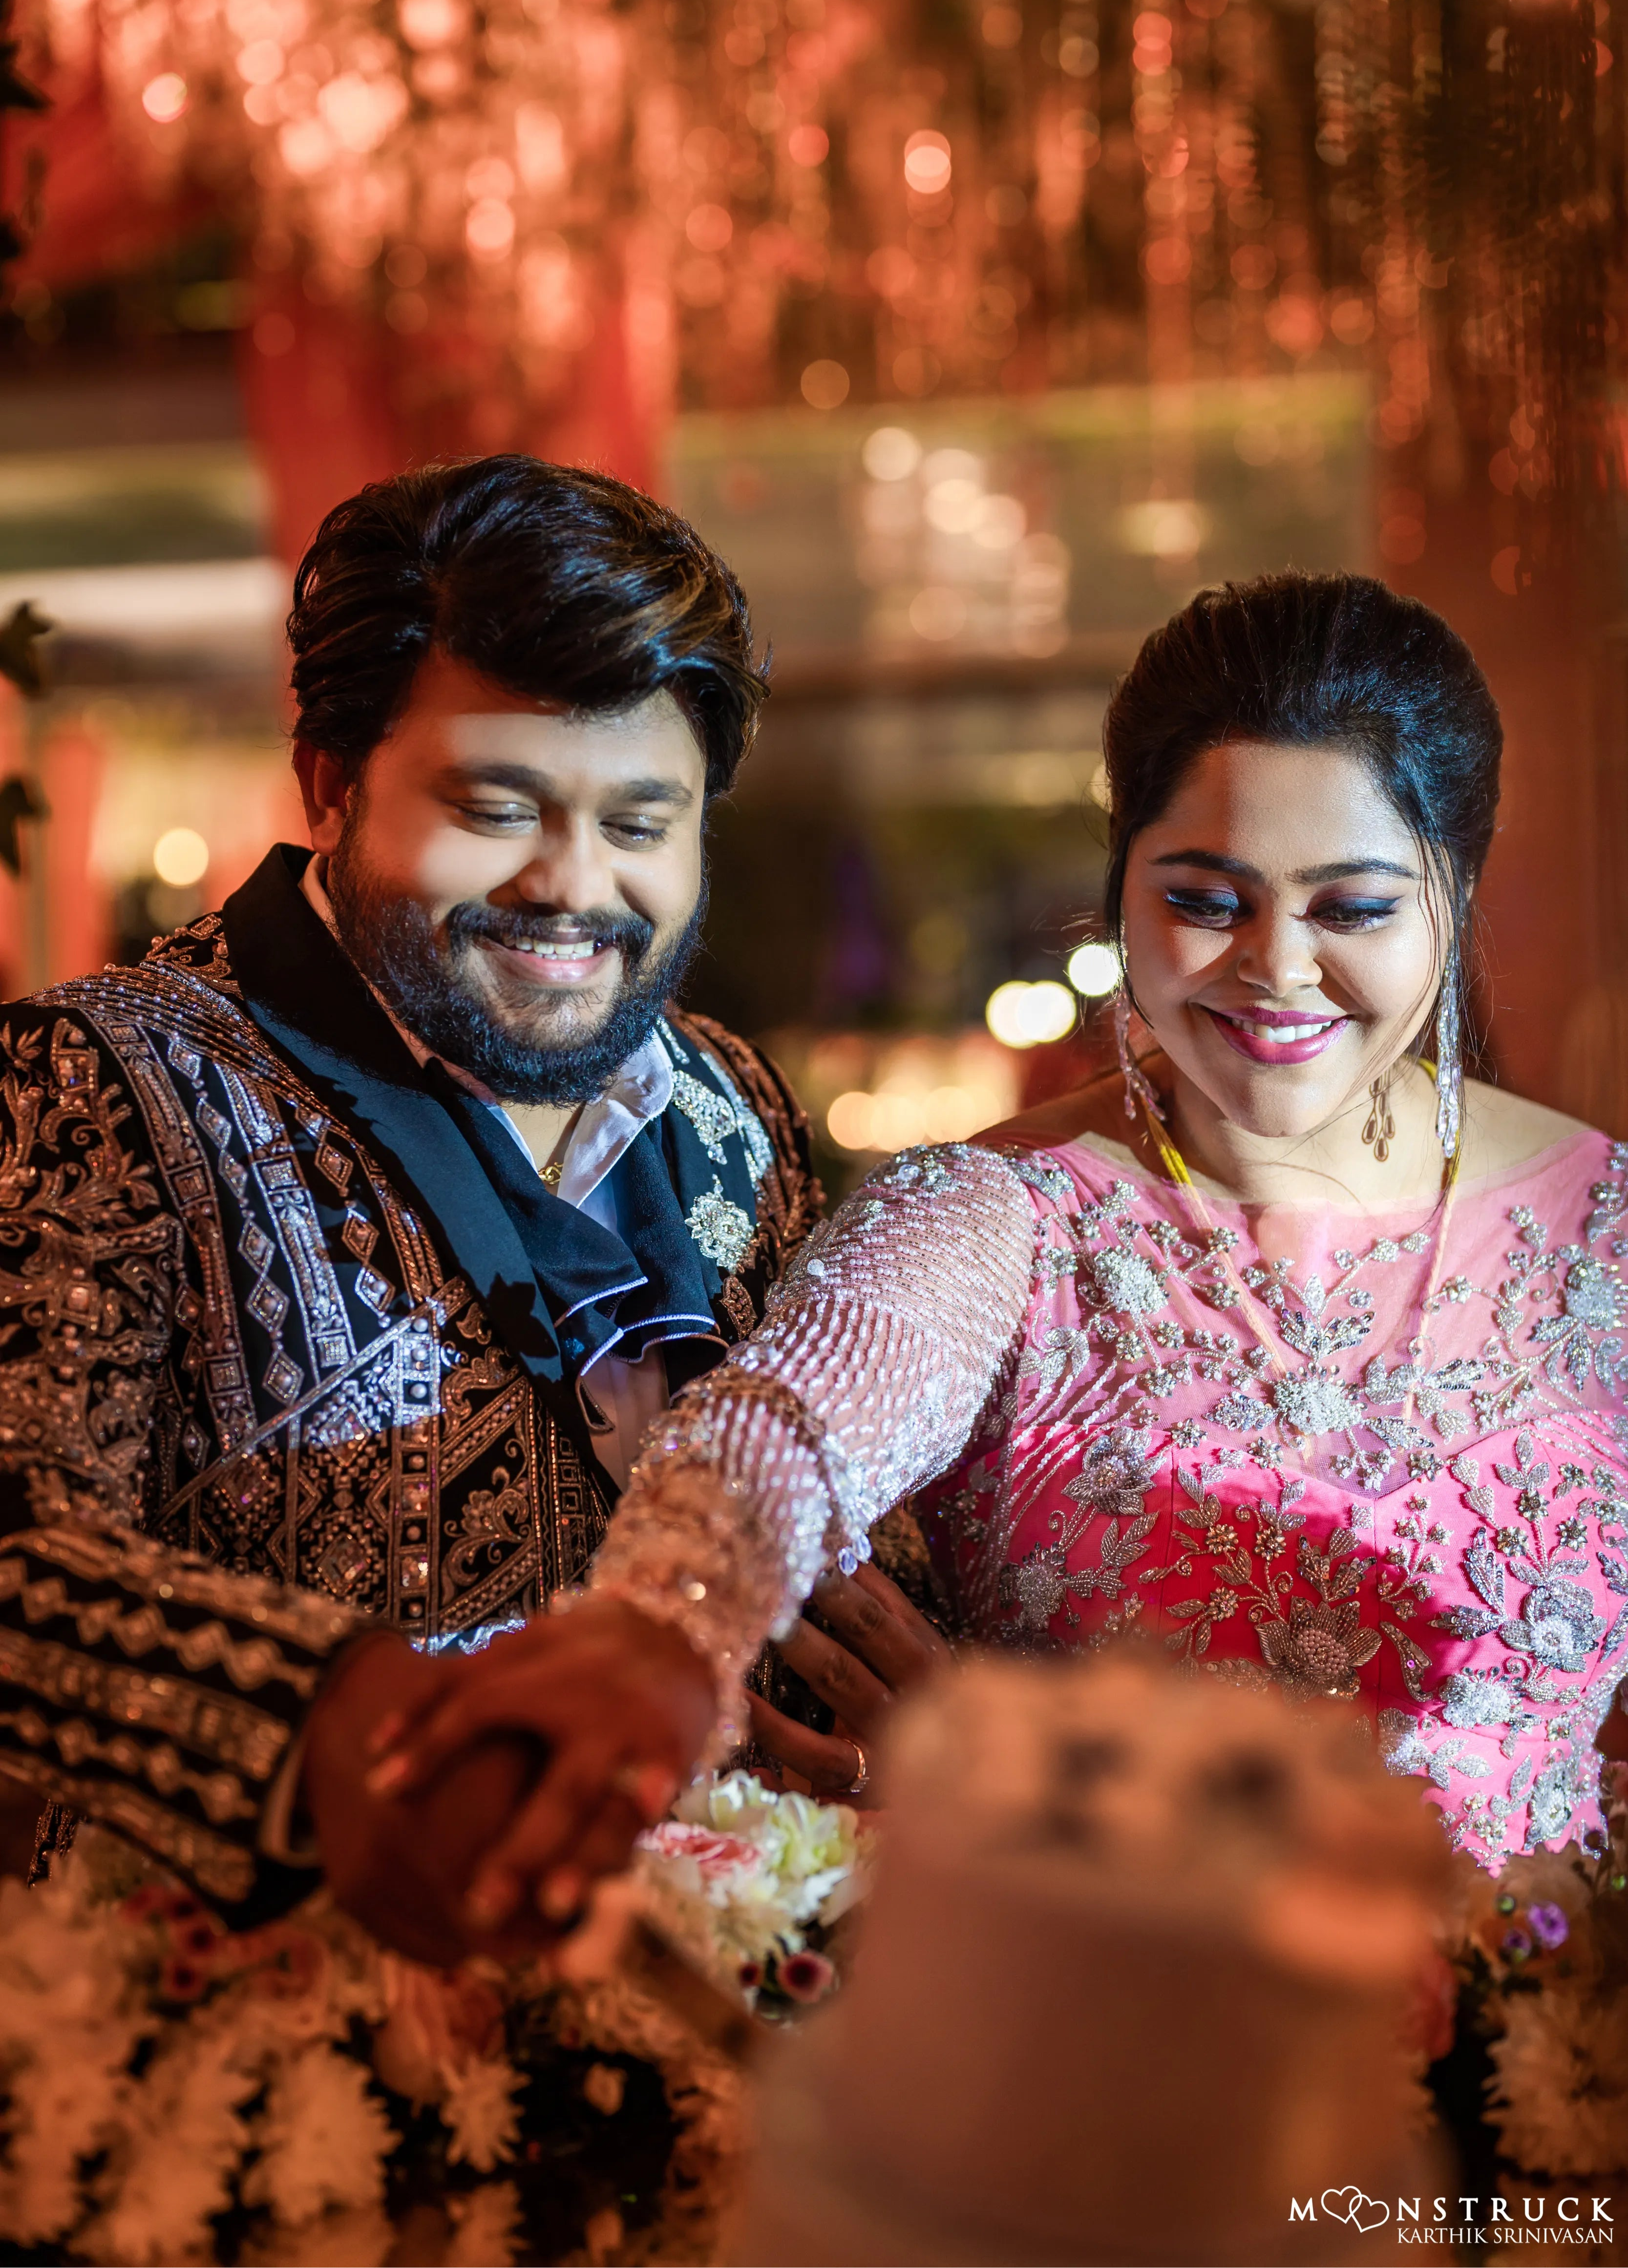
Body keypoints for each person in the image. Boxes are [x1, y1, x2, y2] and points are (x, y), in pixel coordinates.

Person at [384, 569, 1628, 1885]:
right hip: (1102, 2039)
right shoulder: (999, 1215)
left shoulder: (1601, 1225)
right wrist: (648, 1644)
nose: (1275, 967)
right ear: (1122, 877)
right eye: (1206, 899)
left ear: (1455, 890)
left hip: (1533, 2058)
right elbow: (782, 1437)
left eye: (1352, 907)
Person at [0, 455, 828, 1960]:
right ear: (331, 783)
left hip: (720, 2022)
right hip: (258, 2061)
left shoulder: (731, 1103)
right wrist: (323, 1716)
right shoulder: (90, 1079)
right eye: (498, 806)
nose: (572, 888)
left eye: (642, 824)